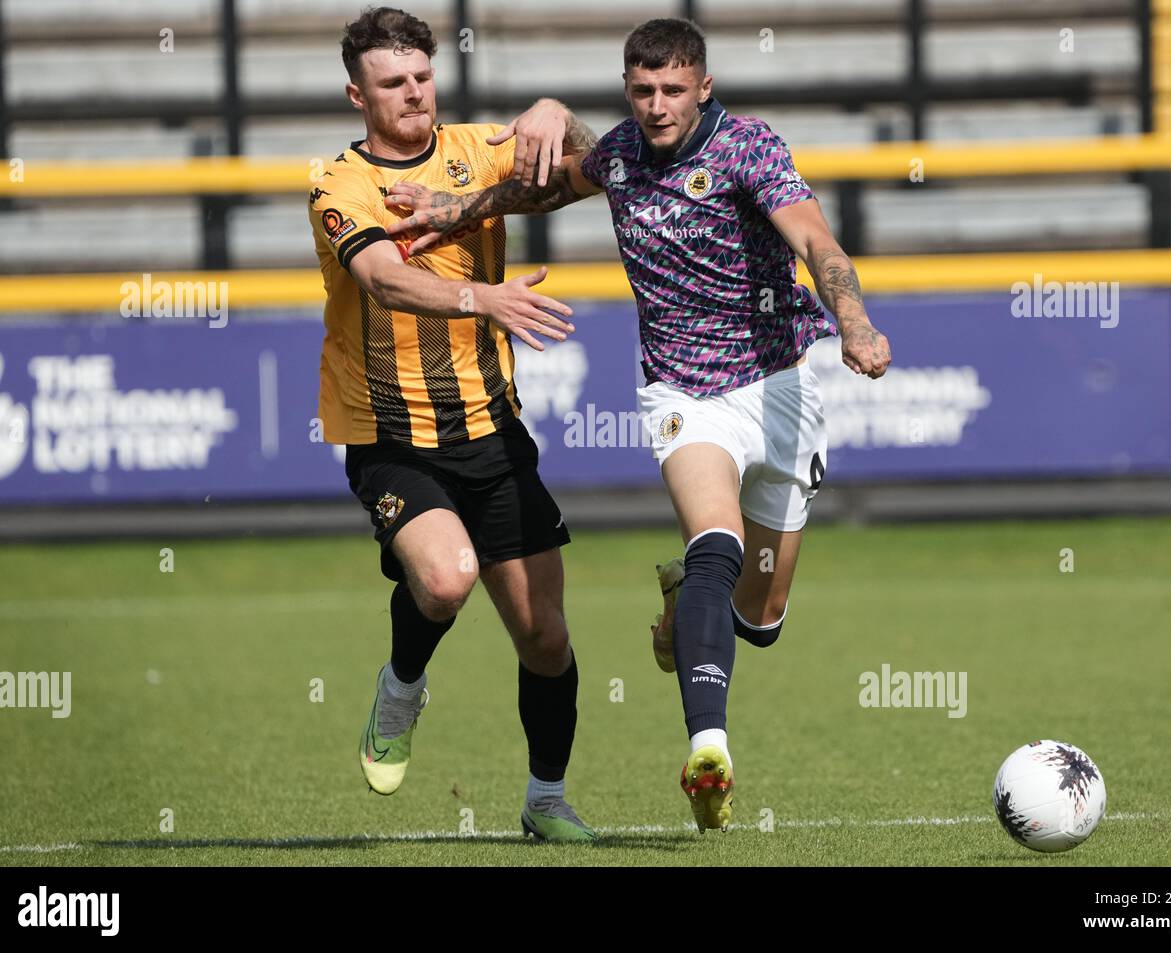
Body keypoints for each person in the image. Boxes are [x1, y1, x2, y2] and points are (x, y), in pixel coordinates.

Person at [383, 17, 891, 833]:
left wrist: (856, 323)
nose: (657, 106)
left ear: (704, 88)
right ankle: (709, 752)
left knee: (758, 620)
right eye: (643, 90)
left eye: (673, 90)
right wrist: (453, 206)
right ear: (629, 89)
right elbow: (545, 186)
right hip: (683, 395)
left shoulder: (749, 148)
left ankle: (685, 611)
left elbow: (817, 244)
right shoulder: (621, 153)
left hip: (781, 386)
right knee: (713, 545)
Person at [308, 7, 599, 841]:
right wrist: (487, 297)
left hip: (493, 434)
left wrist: (555, 114)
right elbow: (383, 280)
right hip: (391, 439)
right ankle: (401, 688)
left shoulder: (477, 150)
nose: (413, 95)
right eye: (392, 83)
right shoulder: (339, 185)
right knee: (444, 578)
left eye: (422, 78)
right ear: (357, 94)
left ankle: (546, 801)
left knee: (546, 637)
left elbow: (601, 167)